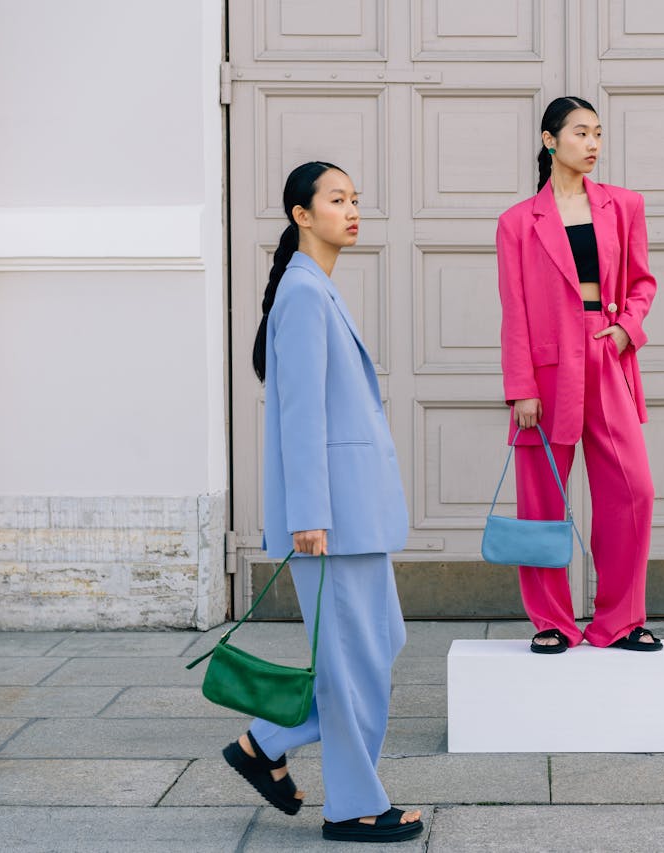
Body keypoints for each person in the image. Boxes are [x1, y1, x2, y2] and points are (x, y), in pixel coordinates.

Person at [222, 161, 422, 843]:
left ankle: (263, 742)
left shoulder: (315, 288)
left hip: (355, 513)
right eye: (336, 200)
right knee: (352, 662)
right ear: (302, 215)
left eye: (355, 199)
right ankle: (354, 807)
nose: (352, 210)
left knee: (378, 646)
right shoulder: (304, 295)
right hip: (329, 519)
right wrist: (308, 512)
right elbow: (300, 413)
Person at [496, 97, 661, 654]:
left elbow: (641, 282)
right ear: (550, 141)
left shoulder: (624, 205)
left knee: (633, 489)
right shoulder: (518, 222)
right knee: (540, 497)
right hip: (545, 369)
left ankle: (620, 620)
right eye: (580, 133)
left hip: (605, 355)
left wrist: (625, 332)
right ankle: (552, 621)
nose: (592, 144)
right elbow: (513, 308)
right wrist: (520, 387)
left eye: (598, 134)